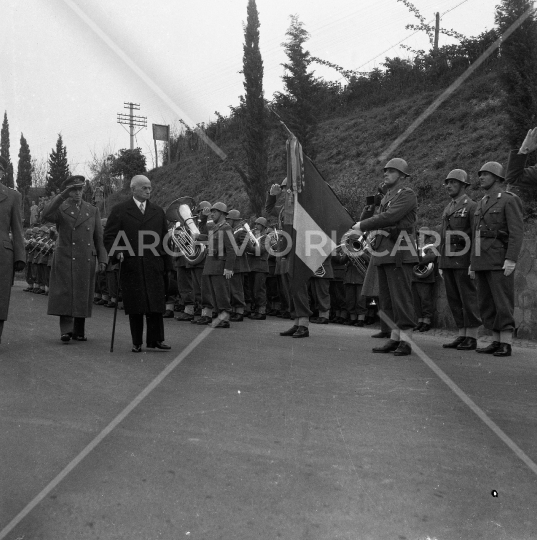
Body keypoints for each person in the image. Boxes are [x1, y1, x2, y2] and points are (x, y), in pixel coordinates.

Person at [352, 158, 418, 356]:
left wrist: (363, 225)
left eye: (391, 171)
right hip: (384, 251)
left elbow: (389, 218)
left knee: (401, 298)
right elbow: (381, 219)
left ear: (402, 175)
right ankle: (394, 338)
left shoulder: (406, 194)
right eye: (385, 171)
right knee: (388, 299)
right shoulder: (387, 196)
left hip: (399, 251)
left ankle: (406, 341)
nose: (386, 174)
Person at [104, 175, 172, 352]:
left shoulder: (158, 211)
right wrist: (117, 251)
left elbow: (165, 239)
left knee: (155, 303)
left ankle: (156, 340)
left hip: (154, 264)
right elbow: (109, 236)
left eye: (150, 188)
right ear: (133, 189)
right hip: (131, 264)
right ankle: (137, 341)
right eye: (144, 188)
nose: (148, 191)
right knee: (136, 304)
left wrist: (167, 264)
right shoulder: (120, 210)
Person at [42, 175, 107, 342]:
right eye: (73, 190)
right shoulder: (61, 208)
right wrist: (62, 195)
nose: (78, 193)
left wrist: (103, 259)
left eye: (80, 189)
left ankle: (79, 330)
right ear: (68, 191)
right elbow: (46, 213)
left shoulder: (92, 210)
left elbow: (98, 238)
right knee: (66, 292)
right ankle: (66, 330)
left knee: (82, 292)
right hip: (66, 256)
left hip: (86, 257)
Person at [469, 162, 524, 357]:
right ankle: (495, 340)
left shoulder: (508, 200)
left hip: (499, 258)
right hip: (481, 259)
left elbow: (516, 232)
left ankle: (506, 343)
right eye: (480, 174)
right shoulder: (482, 202)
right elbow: (476, 234)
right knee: (486, 302)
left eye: (486, 174)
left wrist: (511, 258)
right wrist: (472, 262)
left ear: (498, 178)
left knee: (502, 301)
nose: (481, 177)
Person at [438, 169, 481, 350]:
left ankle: (471, 336)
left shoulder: (471, 206)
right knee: (454, 298)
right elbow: (443, 235)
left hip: (463, 259)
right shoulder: (448, 207)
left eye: (453, 182)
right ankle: (461, 334)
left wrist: (474, 262)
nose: (449, 186)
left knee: (468, 297)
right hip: (448, 259)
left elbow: (476, 235)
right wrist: (441, 262)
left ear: (463, 185)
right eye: (447, 183)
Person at [0, 156, 26, 344]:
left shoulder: (12, 196)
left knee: (0, 297)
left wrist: (20, 256)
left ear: (3, 173)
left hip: (2, 254)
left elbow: (17, 228)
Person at [202, 202, 236, 328]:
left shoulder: (225, 227)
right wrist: (204, 218)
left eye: (214, 212)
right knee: (214, 294)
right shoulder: (216, 227)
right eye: (211, 212)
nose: (212, 214)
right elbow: (203, 230)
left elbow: (232, 250)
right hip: (212, 266)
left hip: (220, 266)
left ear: (222, 213)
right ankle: (219, 318)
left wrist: (228, 268)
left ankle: (225, 319)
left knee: (222, 294)